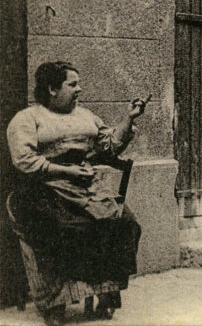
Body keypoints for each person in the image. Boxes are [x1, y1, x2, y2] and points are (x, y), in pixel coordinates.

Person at [6, 61, 146, 324]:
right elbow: (24, 161)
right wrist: (67, 171)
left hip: (84, 189)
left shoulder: (86, 116)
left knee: (124, 223)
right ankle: (54, 303)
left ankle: (106, 291)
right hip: (43, 189)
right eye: (72, 84)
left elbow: (109, 146)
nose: (79, 89)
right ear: (52, 89)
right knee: (61, 228)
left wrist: (129, 119)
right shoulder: (27, 119)